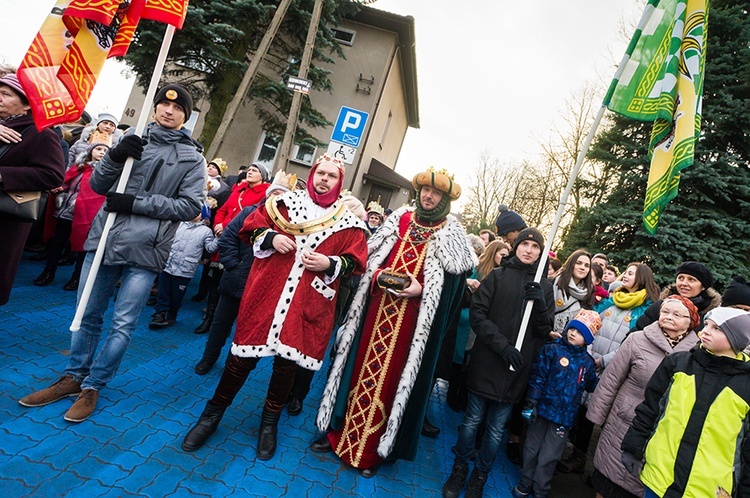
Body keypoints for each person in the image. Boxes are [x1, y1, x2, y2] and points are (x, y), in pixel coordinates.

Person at [18, 83, 207, 422]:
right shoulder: (129, 142)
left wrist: (136, 203)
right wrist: (116, 156)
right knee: (85, 313)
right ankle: (74, 376)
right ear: (154, 107)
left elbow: (191, 205)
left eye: (177, 108)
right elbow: (98, 185)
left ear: (185, 117)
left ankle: (94, 384)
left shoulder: (192, 158)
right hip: (106, 238)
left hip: (147, 249)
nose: (168, 110)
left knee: (123, 323)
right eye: (163, 103)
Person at [181, 155, 368, 461]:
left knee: (286, 366)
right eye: (320, 172)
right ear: (311, 174)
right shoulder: (283, 204)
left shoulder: (348, 222)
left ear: (340, 182)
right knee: (241, 358)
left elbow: (355, 261)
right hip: (267, 293)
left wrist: (330, 262)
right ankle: (211, 415)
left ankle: (270, 423)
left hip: (307, 301)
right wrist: (271, 237)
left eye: (331, 176)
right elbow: (251, 228)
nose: (324, 179)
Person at [313, 167, 475, 477]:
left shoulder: (452, 236)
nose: (428, 196)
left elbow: (453, 296)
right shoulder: (399, 219)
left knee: (392, 385)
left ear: (445, 199)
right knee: (356, 373)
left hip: (412, 329)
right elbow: (371, 260)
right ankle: (338, 437)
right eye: (425, 190)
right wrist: (377, 277)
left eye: (436, 193)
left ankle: (375, 452)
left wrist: (422, 289)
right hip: (375, 313)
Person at [442, 227, 554, 498]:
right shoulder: (498, 276)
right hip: (487, 362)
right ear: (516, 247)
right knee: (472, 421)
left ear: (540, 252)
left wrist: (539, 304)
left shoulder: (545, 287)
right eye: (524, 244)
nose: (529, 249)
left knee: (494, 431)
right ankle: (459, 468)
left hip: (515, 372)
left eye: (535, 246)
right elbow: (479, 316)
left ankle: (480, 475)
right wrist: (503, 347)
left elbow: (543, 329)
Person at [621, 308, 750, 498]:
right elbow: (650, 409)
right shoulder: (678, 364)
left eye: (717, 328)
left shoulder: (746, 384)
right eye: (706, 325)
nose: (705, 331)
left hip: (708, 490)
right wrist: (633, 447)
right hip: (660, 477)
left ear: (736, 338)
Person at [586, 296, 700, 498]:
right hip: (622, 421)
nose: (668, 317)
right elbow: (611, 380)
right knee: (606, 481)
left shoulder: (697, 353)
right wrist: (596, 416)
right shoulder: (637, 339)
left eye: (676, 314)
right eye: (665, 312)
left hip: (661, 431)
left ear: (690, 321)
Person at [193, 172, 301, 375]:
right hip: (237, 277)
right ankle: (208, 358)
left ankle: (232, 366)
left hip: (264, 286)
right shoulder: (250, 212)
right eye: (275, 193)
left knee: (247, 328)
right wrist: (234, 264)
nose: (277, 197)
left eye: (282, 194)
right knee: (220, 323)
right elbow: (228, 238)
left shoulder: (291, 223)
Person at [558, 262, 659, 474]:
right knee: (584, 412)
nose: (625, 275)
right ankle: (577, 454)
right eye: (626, 272)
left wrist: (603, 361)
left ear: (642, 279)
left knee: (604, 416)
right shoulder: (610, 301)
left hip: (613, 369)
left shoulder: (645, 310)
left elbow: (631, 344)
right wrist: (588, 354)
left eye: (630, 273)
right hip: (589, 361)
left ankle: (600, 466)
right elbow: (590, 326)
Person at [512, 310, 600, 498]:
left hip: (564, 417)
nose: (573, 333)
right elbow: (538, 377)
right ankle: (526, 480)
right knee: (531, 448)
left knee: (550, 455)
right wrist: (531, 402)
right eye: (572, 329)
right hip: (541, 409)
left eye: (580, 332)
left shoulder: (587, 363)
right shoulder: (551, 350)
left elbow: (591, 385)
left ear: (588, 339)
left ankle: (541, 487)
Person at [0, 73, 65, 306]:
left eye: (5, 94)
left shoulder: (41, 134)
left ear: (27, 104)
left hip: (6, 221)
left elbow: (53, 175)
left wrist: (2, 175)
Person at [193, 161, 271, 334]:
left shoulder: (264, 194)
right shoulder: (239, 189)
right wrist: (219, 222)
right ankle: (209, 318)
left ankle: (222, 322)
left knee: (229, 282)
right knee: (215, 280)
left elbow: (252, 216)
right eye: (249, 169)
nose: (250, 171)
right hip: (224, 237)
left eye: (255, 170)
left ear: (263, 176)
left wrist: (226, 225)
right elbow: (224, 209)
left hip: (240, 243)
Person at [34, 135, 111, 288]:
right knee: (57, 243)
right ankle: (49, 271)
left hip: (87, 216)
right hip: (66, 212)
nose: (102, 152)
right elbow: (69, 183)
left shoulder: (104, 173)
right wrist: (61, 189)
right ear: (90, 151)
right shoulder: (80, 168)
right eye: (99, 148)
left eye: (105, 150)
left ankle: (76, 277)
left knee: (82, 247)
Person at [149, 214, 218, 329]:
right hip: (168, 265)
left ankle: (171, 316)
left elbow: (211, 248)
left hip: (185, 269)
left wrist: (218, 238)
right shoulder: (179, 224)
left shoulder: (205, 231)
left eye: (198, 212)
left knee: (177, 295)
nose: (194, 213)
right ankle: (159, 314)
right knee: (163, 291)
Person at [634, 261, 720, 332]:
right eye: (681, 278)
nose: (684, 283)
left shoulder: (709, 315)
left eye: (691, 279)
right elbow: (636, 332)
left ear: (703, 287)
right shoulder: (660, 306)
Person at [550, 249, 594, 339]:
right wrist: (547, 331)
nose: (582, 267)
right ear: (571, 264)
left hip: (567, 342)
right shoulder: (553, 282)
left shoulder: (588, 292)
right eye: (578, 263)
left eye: (587, 266)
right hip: (544, 335)